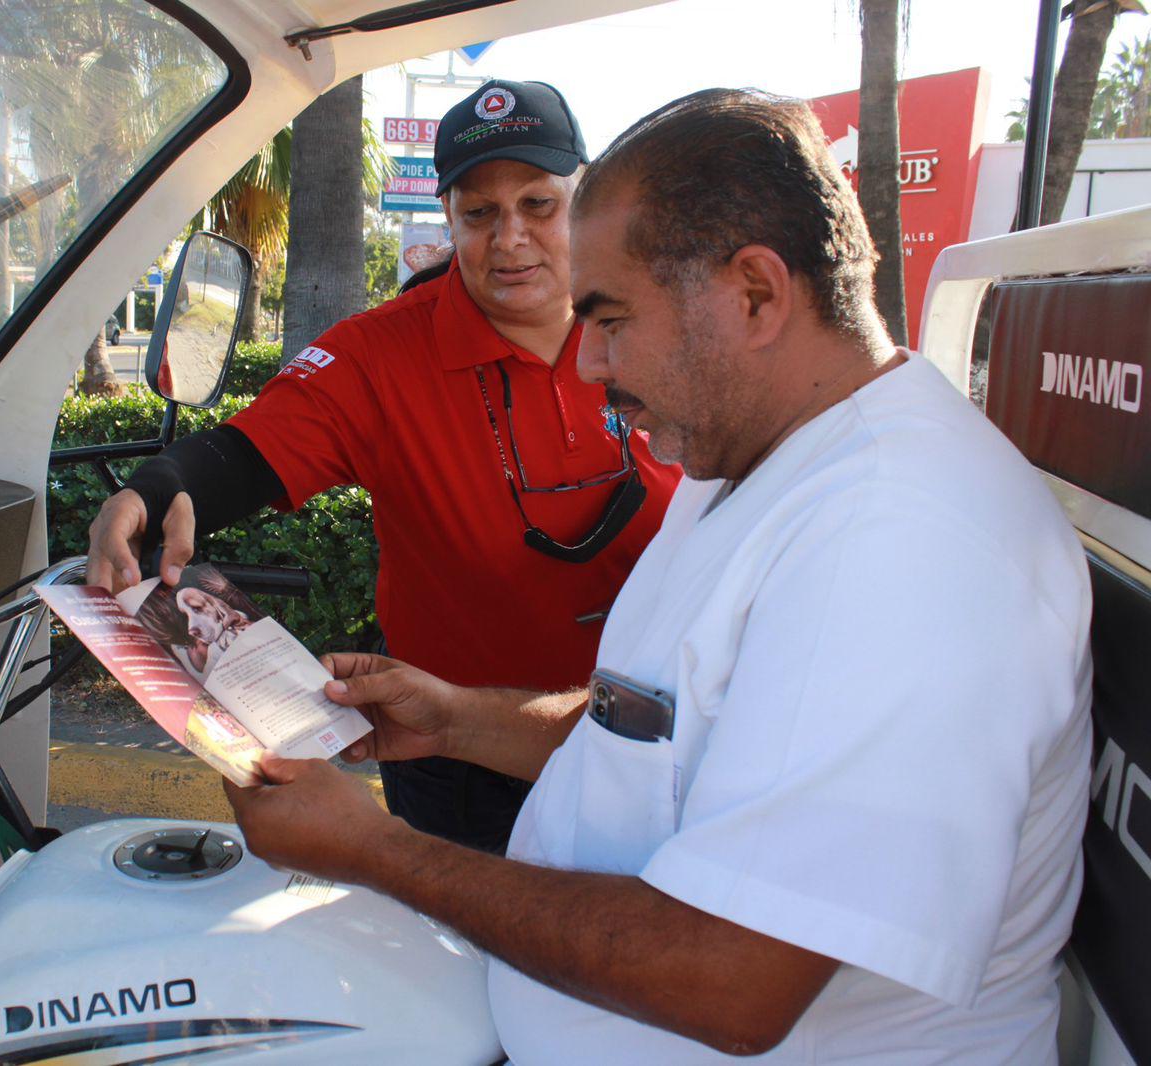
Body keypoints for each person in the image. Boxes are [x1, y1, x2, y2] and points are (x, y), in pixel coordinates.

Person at [223, 88, 1092, 1062]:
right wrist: (460, 717)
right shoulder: (758, 457)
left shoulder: (902, 542)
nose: (586, 361)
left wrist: (372, 850)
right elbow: (672, 735)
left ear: (754, 295)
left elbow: (735, 977)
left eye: (610, 317)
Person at [84, 80, 680, 852]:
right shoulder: (380, 352)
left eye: (539, 204)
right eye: (479, 214)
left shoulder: (663, 318)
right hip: (458, 757)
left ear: (586, 198)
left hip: (655, 738)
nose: (510, 239)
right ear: (449, 220)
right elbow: (251, 450)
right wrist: (149, 494)